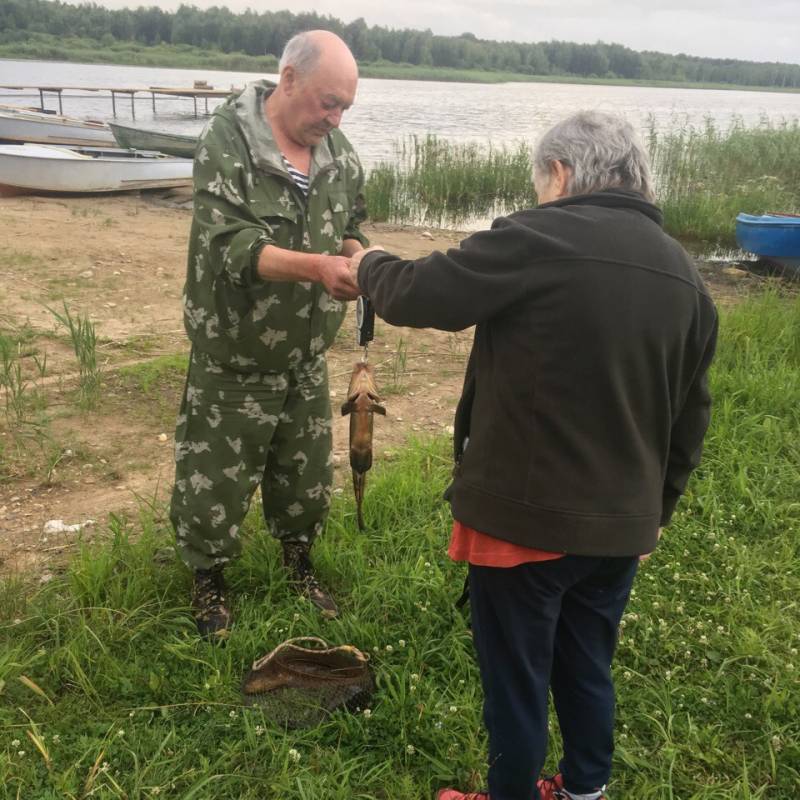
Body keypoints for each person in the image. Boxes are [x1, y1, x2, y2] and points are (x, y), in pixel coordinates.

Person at [349, 111, 718, 800]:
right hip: (620, 531)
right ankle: (584, 791)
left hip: (522, 528)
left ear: (561, 173)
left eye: (540, 179)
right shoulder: (685, 276)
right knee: (586, 669)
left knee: (515, 685)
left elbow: (421, 291)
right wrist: (656, 513)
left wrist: (365, 264)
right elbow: (690, 416)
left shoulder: (537, 236)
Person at [170, 30, 367, 638]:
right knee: (216, 482)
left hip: (305, 353)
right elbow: (230, 244)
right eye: (326, 102)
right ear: (287, 79)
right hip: (235, 350)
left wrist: (360, 257)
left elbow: (353, 220)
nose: (333, 119)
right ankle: (208, 581)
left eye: (345, 109)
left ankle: (298, 562)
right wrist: (319, 268)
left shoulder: (339, 152)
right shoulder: (227, 141)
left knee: (305, 475)